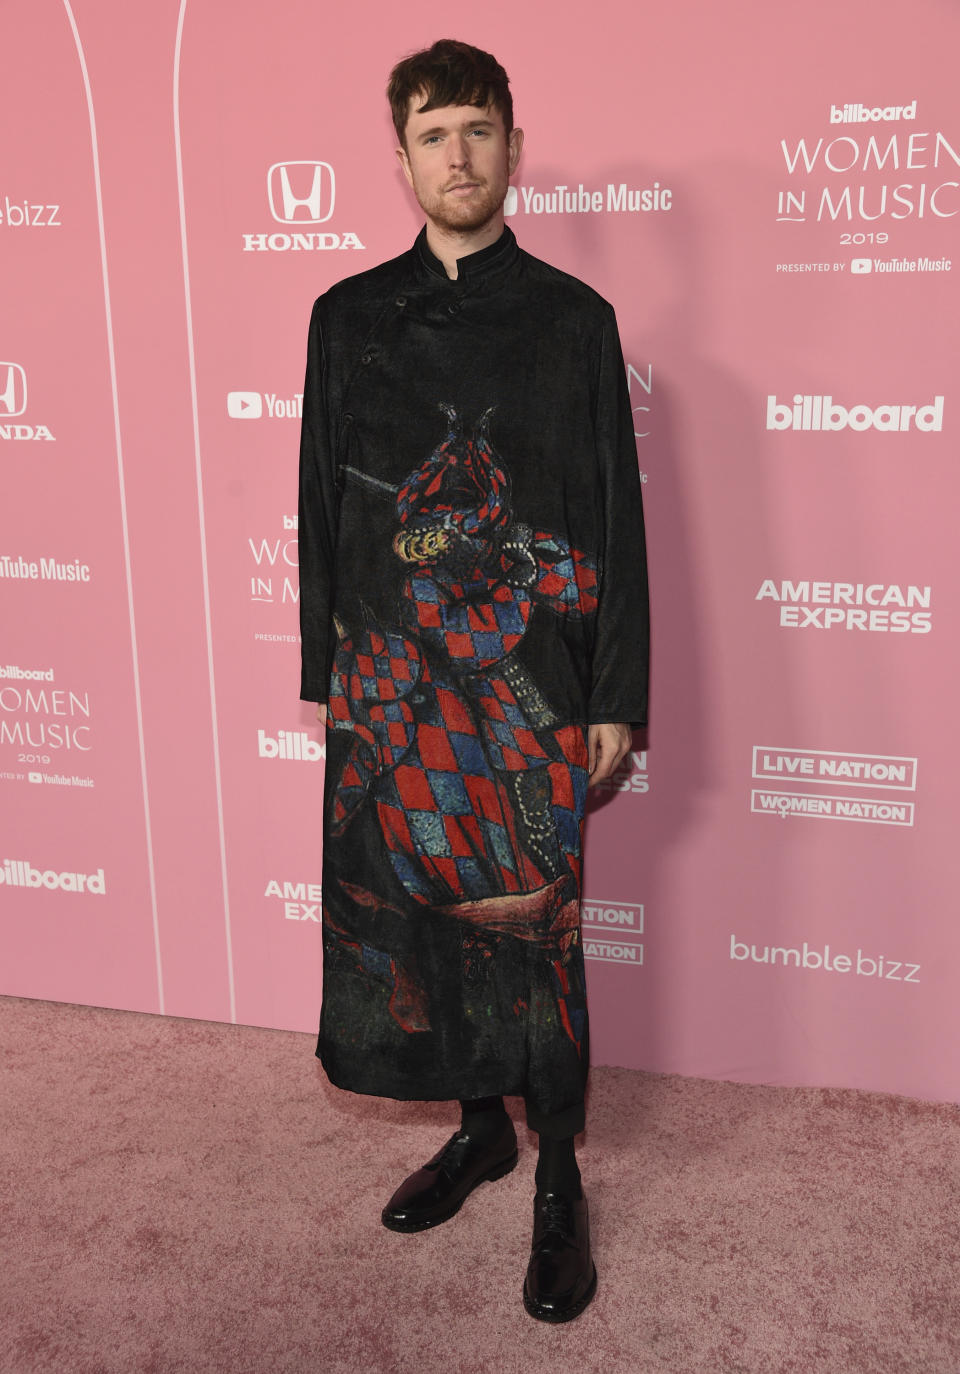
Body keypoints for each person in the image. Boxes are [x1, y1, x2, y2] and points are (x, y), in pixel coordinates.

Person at [298, 38, 649, 1323]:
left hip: (532, 690)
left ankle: (554, 1163)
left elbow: (615, 518)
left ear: (514, 147)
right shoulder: (347, 321)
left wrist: (616, 693)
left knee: (539, 936)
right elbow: (320, 512)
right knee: (427, 914)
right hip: (393, 683)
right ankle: (477, 1129)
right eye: (435, 133)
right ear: (401, 159)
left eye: (479, 130)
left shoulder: (574, 322)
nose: (459, 154)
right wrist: (328, 671)